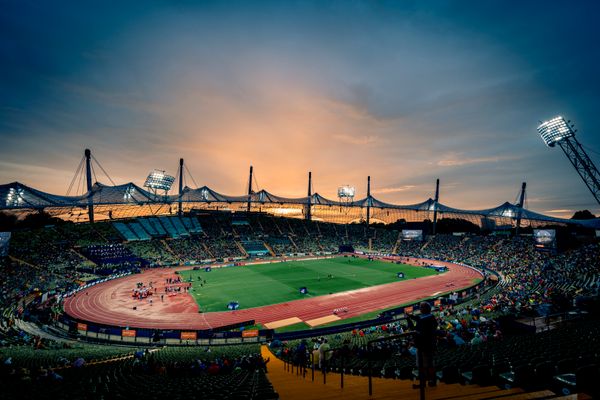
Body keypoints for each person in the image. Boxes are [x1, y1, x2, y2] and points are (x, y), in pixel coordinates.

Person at [406, 301, 439, 389]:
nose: (419, 309)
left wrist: (408, 319)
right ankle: (432, 381)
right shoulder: (431, 317)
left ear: (424, 309)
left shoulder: (422, 320)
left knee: (423, 366)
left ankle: (423, 383)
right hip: (430, 344)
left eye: (421, 307)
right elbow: (419, 318)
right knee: (430, 364)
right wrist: (411, 316)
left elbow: (413, 329)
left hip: (423, 346)